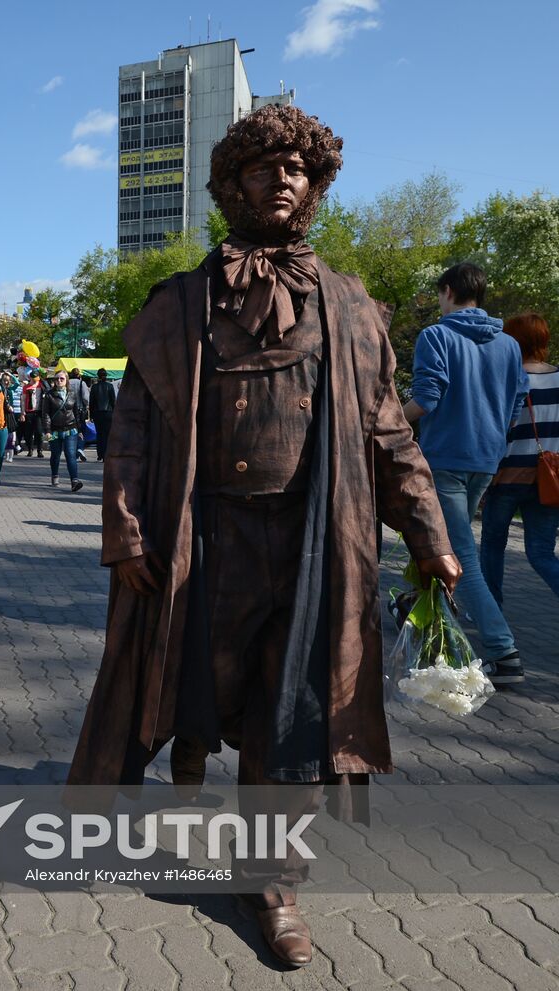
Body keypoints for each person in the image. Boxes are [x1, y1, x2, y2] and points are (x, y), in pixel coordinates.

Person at [66, 106, 457, 968]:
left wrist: (428, 530)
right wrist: (128, 533)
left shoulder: (350, 302)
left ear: (314, 188)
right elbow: (130, 428)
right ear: (230, 185)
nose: (281, 178)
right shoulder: (178, 303)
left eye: (297, 169)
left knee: (295, 714)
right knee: (153, 687)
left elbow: (390, 432)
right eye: (262, 166)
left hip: (318, 543)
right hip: (198, 541)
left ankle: (270, 880)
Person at [403, 262, 529, 685]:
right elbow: (516, 405)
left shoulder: (436, 336)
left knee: (461, 557)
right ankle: (420, 615)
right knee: (448, 548)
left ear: (448, 290)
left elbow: (426, 399)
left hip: (445, 459)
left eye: (439, 294)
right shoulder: (509, 346)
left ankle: (503, 652)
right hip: (486, 460)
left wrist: (385, 427)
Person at [480, 312, 559, 606]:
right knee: (541, 553)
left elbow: (500, 431)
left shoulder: (511, 379)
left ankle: (491, 610)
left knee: (492, 545)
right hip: (550, 480)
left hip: (508, 476)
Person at [40, 369, 85, 493]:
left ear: (66, 380)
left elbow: (76, 412)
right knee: (55, 455)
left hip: (71, 429)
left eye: (62, 379)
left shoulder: (72, 393)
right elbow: (46, 414)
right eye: (57, 379)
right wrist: (47, 430)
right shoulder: (49, 395)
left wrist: (80, 429)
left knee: (70, 455)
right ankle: (55, 475)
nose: (59, 381)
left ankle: (74, 481)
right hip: (54, 430)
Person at [89, 368, 117, 461]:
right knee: (107, 434)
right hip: (108, 413)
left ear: (98, 376)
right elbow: (113, 401)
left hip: (97, 413)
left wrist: (91, 415)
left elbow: (91, 402)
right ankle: (106, 454)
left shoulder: (94, 387)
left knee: (99, 434)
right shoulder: (110, 386)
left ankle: (100, 454)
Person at [21, 373, 46, 458]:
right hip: (29, 412)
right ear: (30, 378)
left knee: (39, 432)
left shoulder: (42, 385)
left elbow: (48, 388)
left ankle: (40, 450)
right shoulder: (26, 387)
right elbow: (23, 400)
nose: (35, 380)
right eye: (34, 378)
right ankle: (30, 449)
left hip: (38, 411)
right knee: (28, 433)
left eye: (37, 378)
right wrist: (23, 412)